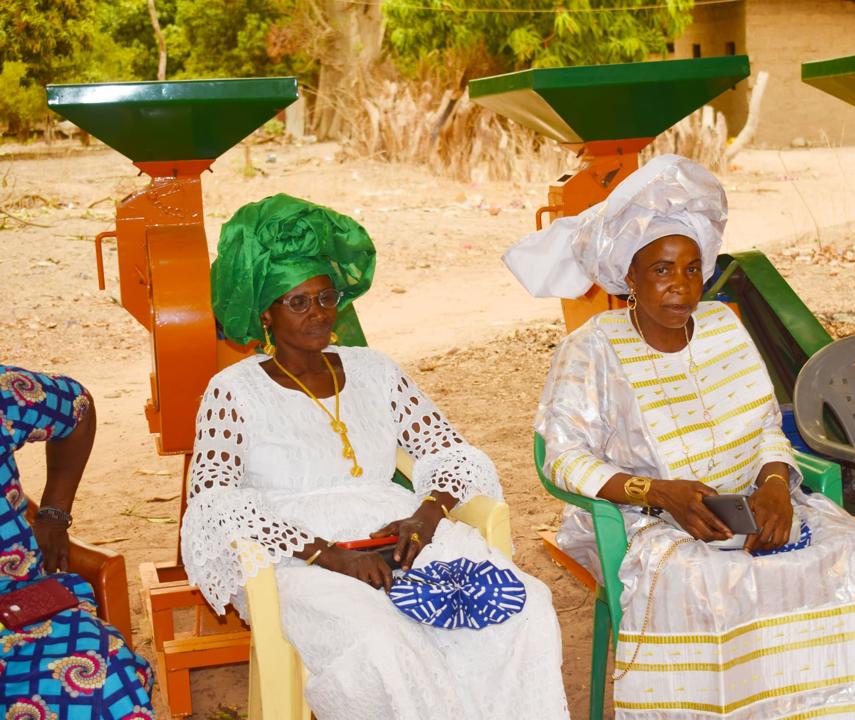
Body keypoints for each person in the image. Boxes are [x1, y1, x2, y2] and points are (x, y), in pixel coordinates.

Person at [505, 155, 855, 719]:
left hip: (751, 502)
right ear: (630, 277)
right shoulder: (593, 348)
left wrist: (772, 487)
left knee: (851, 551)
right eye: (662, 271)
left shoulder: (724, 327)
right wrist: (660, 493)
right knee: (712, 579)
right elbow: (562, 459)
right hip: (644, 520)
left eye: (692, 269)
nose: (680, 287)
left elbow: (767, 425)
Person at [180, 194, 569, 720]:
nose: (318, 314)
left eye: (325, 297)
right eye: (297, 302)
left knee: (525, 607)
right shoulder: (234, 390)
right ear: (266, 313)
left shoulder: (374, 370)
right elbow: (214, 500)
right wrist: (326, 554)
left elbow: (448, 450)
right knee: (386, 641)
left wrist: (426, 513)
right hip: (299, 556)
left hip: (399, 534)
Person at [0, 366, 154, 718]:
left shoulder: (5, 394)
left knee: (105, 675)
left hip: (18, 604)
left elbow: (77, 406)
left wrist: (54, 515)